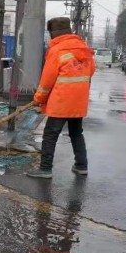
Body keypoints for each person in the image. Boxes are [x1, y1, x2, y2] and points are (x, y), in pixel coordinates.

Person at [26, 17, 95, 179]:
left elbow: (47, 80)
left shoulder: (57, 51)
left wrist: (39, 98)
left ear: (53, 34)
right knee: (76, 133)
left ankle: (45, 169)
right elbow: (91, 70)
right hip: (79, 101)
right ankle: (81, 165)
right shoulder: (83, 48)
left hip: (62, 101)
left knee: (50, 134)